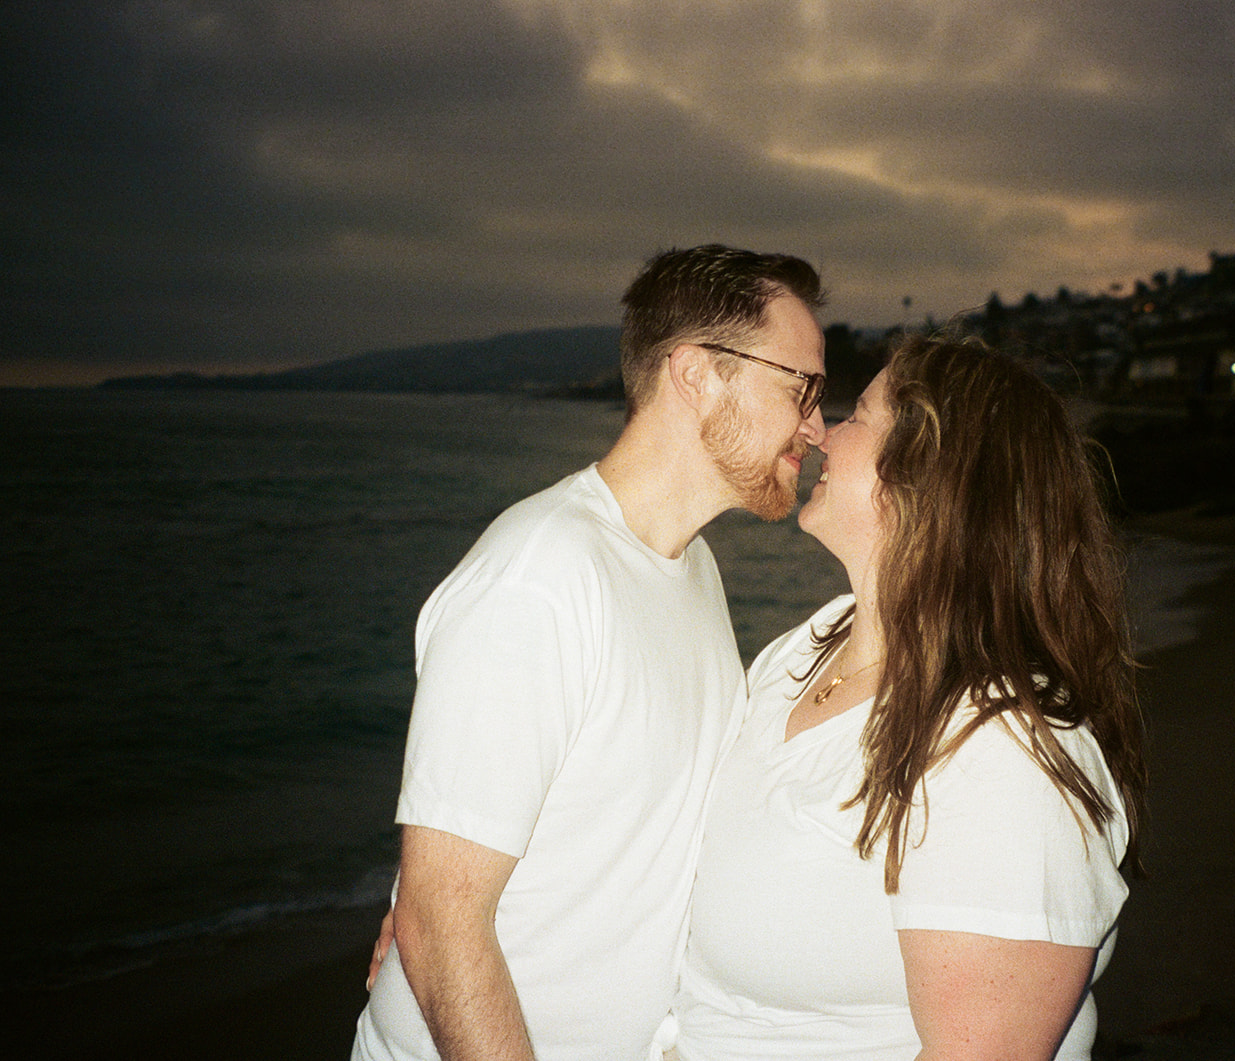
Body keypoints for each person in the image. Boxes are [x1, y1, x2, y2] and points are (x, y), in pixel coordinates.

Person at [351, 244, 828, 1061]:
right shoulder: (540, 577)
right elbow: (439, 925)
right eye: (801, 387)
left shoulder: (692, 569)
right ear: (696, 374)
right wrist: (421, 893)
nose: (816, 425)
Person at [668, 333, 1147, 1060]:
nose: (821, 433)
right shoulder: (805, 648)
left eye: (857, 415)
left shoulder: (1001, 748)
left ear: (928, 474)